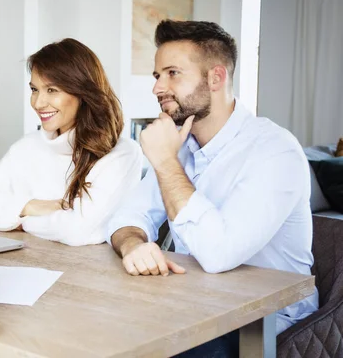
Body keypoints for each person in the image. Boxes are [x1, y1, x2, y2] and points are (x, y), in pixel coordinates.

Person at [107, 20, 318, 356]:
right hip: (192, 305)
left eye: (172, 73)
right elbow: (127, 216)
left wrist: (165, 162)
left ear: (216, 78)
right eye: (156, 75)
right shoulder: (183, 145)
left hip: (264, 321)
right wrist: (133, 245)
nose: (157, 88)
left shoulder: (275, 150)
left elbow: (218, 254)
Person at [0, 38, 144, 246]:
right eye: (34, 89)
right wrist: (30, 206)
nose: (38, 103)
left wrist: (20, 221)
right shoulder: (27, 146)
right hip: (36, 262)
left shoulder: (123, 154)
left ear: (83, 93)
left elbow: (79, 230)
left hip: (91, 273)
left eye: (52, 90)